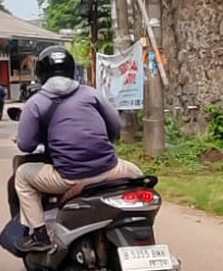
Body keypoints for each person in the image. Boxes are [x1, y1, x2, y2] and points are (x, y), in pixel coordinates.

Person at [11, 45, 143, 252]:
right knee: (138, 177)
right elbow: (115, 127)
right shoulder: (92, 94)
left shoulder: (36, 103)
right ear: (71, 69)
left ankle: (39, 234)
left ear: (40, 73)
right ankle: (136, 226)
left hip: (68, 178)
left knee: (22, 176)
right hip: (110, 169)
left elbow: (26, 145)